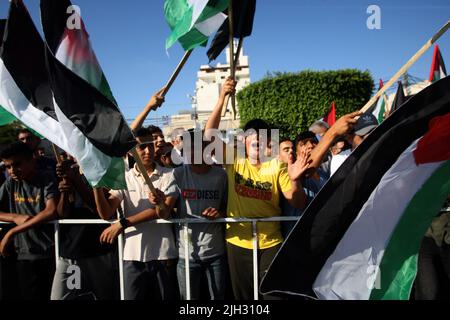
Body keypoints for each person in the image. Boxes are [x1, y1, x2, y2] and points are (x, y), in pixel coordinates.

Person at [204, 78, 360, 300]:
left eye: (261, 137)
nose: (256, 141)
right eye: (251, 137)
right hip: (237, 242)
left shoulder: (277, 165)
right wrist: (222, 98)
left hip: (270, 243)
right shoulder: (234, 160)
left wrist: (295, 180)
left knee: (271, 296)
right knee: (244, 298)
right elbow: (210, 134)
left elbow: (297, 201)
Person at [93, 127, 179, 300]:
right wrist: (95, 186)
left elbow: (162, 212)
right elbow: (106, 212)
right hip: (132, 256)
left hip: (163, 254)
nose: (148, 150)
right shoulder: (124, 178)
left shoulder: (170, 174)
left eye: (150, 145)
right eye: (142, 147)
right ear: (131, 152)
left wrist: (123, 223)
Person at [51, 159, 119, 300]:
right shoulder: (67, 172)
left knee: (102, 296)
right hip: (71, 253)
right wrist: (65, 190)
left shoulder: (105, 171)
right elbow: (63, 213)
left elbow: (100, 210)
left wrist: (77, 181)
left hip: (98, 252)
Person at [173, 130, 228, 300]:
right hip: (186, 254)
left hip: (215, 252)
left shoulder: (221, 175)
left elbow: (229, 209)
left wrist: (219, 213)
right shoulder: (178, 174)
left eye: (199, 146)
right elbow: (166, 210)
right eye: (190, 148)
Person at [0, 142, 58, 300]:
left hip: (48, 252)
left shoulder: (46, 178)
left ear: (32, 161)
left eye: (17, 164)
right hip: (23, 255)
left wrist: (13, 231)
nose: (12, 170)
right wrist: (14, 217)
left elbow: (51, 210)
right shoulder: (10, 184)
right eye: (7, 166)